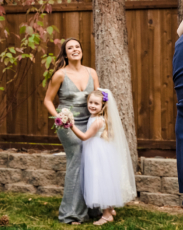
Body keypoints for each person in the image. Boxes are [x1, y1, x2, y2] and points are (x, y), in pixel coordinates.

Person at [43, 37, 100, 224]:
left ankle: (93, 209)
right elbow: (48, 100)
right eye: (70, 48)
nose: (75, 49)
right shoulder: (60, 74)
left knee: (91, 159)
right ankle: (71, 213)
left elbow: (99, 98)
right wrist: (59, 118)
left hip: (89, 122)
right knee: (77, 156)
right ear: (65, 54)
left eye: (77, 46)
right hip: (67, 123)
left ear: (81, 50)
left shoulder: (92, 72)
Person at [69, 89, 136, 226]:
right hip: (99, 151)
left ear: (103, 106)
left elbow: (84, 136)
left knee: (101, 182)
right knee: (105, 181)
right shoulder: (96, 118)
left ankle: (106, 216)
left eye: (96, 104)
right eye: (90, 102)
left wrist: (71, 126)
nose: (92, 105)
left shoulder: (98, 121)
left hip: (97, 154)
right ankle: (110, 209)